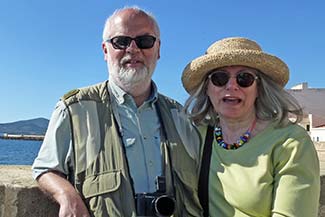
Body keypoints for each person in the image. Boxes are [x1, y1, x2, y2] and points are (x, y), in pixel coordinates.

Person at [32, 6, 202, 217]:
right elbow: (45, 169)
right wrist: (67, 195)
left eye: (145, 41)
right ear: (105, 50)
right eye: (121, 41)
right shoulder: (74, 109)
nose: (133, 49)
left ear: (158, 50)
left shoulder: (182, 117)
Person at [181, 37, 320, 217]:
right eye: (220, 78)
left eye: (244, 78)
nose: (231, 86)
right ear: (207, 88)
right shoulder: (195, 137)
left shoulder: (291, 142)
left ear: (259, 88)